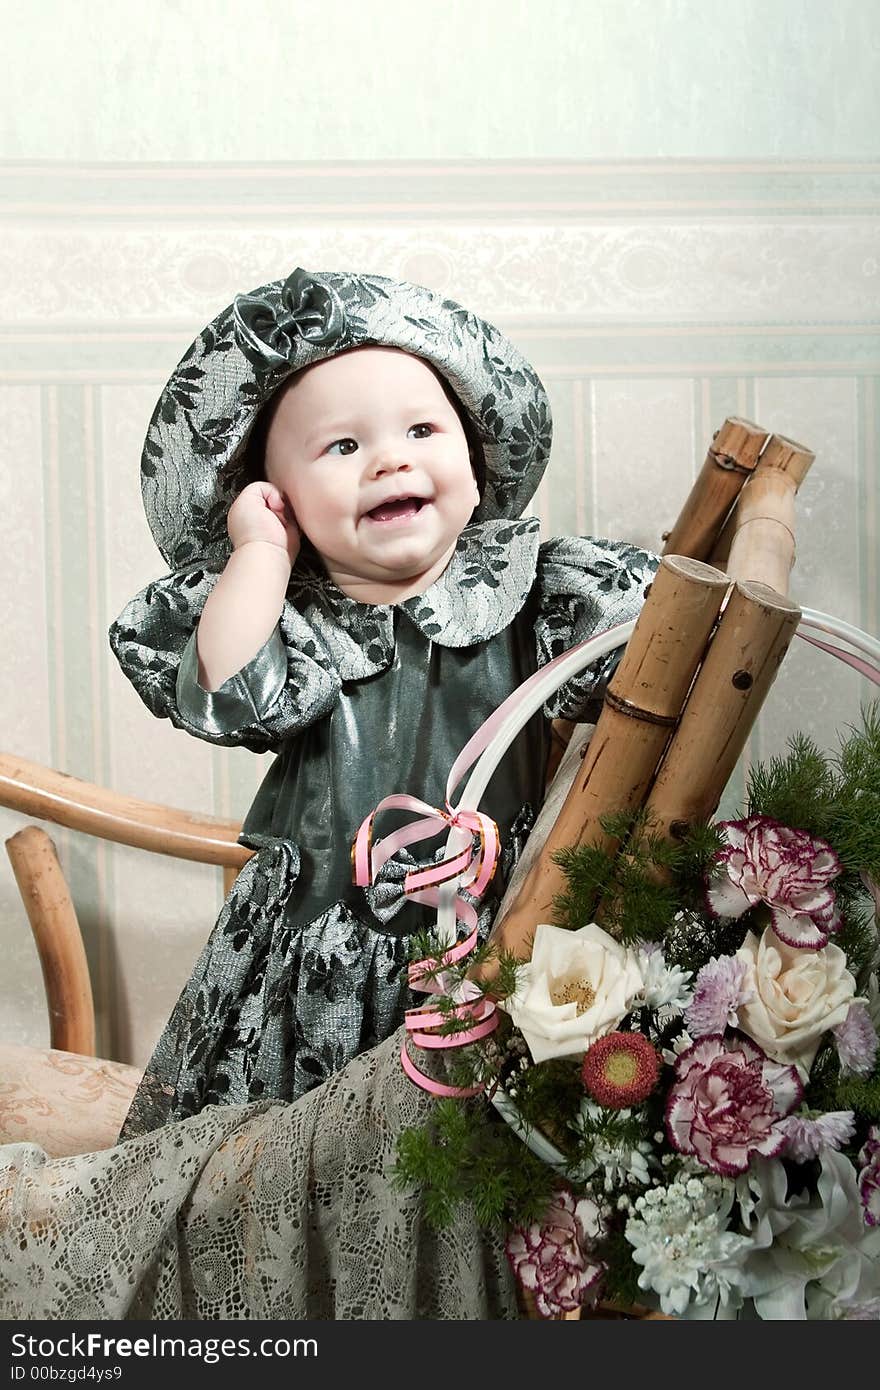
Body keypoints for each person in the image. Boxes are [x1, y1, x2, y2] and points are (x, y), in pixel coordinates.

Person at [109, 265, 658, 1138]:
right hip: (317, 956)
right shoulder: (294, 624)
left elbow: (664, 654)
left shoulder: (533, 592)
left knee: (474, 1167)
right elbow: (227, 695)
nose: (391, 458)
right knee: (301, 1158)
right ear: (280, 499)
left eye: (420, 429)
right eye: (343, 447)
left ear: (477, 467)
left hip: (494, 939)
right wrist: (258, 554)